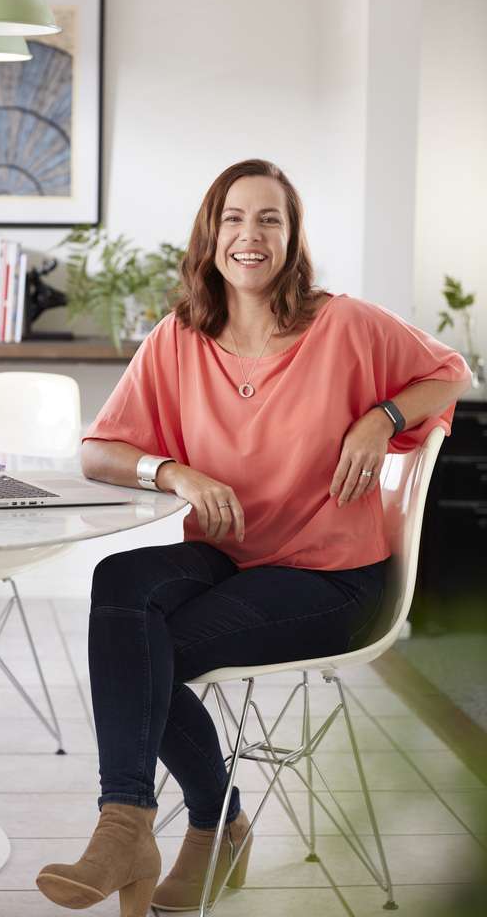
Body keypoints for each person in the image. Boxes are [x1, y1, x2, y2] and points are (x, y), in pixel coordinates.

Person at [35, 158, 471, 915]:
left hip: (335, 576)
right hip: (232, 556)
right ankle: (135, 822)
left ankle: (203, 822)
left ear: (292, 237)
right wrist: (175, 473)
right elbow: (99, 449)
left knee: (152, 652)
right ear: (210, 235)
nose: (250, 235)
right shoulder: (180, 338)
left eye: (270, 219)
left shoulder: (345, 324)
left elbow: (449, 371)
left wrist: (383, 417)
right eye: (234, 218)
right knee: (120, 584)